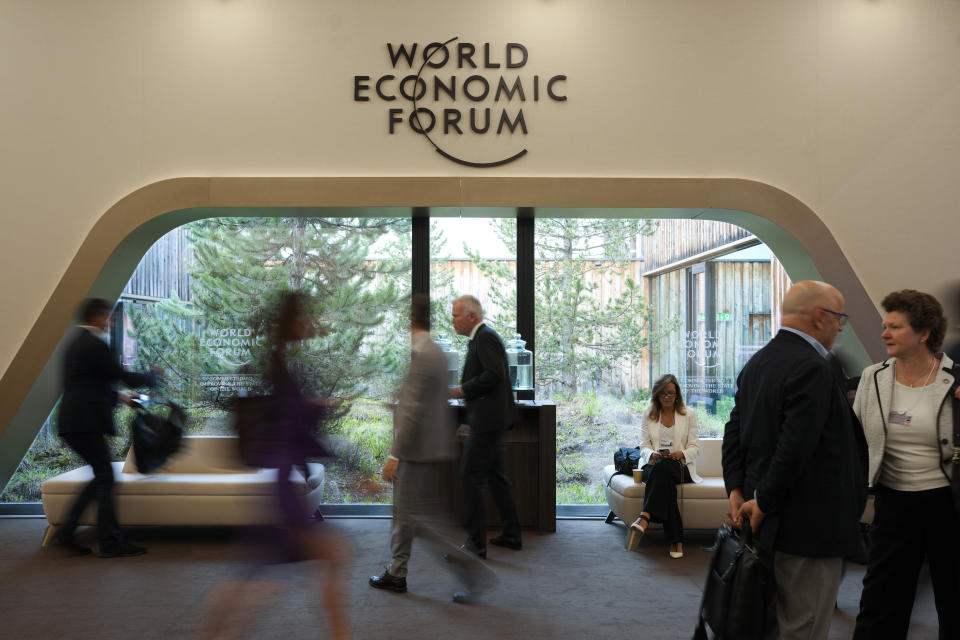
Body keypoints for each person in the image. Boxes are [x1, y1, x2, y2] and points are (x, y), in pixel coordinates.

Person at [200, 291, 351, 640]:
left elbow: (291, 422)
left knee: (256, 573)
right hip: (282, 490)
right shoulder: (279, 364)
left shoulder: (278, 360)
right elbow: (295, 428)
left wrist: (310, 407)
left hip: (279, 485)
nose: (309, 323)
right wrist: (315, 410)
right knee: (325, 559)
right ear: (292, 320)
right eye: (304, 317)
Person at [722, 280, 868, 640]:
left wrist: (737, 489)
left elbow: (734, 431)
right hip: (809, 525)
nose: (840, 327)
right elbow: (795, 447)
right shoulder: (813, 367)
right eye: (839, 318)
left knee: (774, 623)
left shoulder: (758, 362)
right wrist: (764, 500)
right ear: (821, 317)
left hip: (767, 525)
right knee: (804, 625)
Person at [369, 294, 495, 603]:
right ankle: (397, 572)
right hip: (433, 447)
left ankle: (470, 569)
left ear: (409, 322)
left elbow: (412, 410)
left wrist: (393, 456)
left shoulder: (423, 354)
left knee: (421, 520)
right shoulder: (437, 352)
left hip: (417, 450)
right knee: (406, 513)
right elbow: (428, 400)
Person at [851, 290, 960, 639]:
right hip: (893, 502)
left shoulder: (955, 378)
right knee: (881, 602)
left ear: (924, 333)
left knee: (955, 600)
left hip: (948, 504)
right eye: (885, 326)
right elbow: (855, 435)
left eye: (894, 327)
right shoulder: (874, 377)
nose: (884, 333)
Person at [56, 297, 160, 557]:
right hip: (85, 422)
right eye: (108, 317)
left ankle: (67, 533)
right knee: (105, 477)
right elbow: (120, 375)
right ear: (97, 317)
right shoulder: (94, 345)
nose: (110, 321)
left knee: (101, 477)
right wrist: (153, 376)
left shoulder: (75, 345)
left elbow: (92, 384)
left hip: (74, 421)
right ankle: (110, 543)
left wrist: (124, 398)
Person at [448, 295, 522, 557]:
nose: (452, 320)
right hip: (487, 420)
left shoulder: (485, 337)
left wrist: (461, 390)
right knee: (496, 478)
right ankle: (512, 533)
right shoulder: (479, 338)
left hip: (489, 423)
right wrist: (469, 420)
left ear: (472, 317)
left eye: (456, 315)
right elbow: (487, 382)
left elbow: (494, 374)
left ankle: (476, 543)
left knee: (470, 479)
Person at [627, 374, 701, 558]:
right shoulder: (648, 414)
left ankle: (645, 516)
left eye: (671, 393)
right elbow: (643, 445)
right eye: (663, 394)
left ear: (677, 394)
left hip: (680, 466)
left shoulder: (689, 414)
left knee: (665, 468)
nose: (667, 397)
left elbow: (695, 448)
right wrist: (652, 453)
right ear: (656, 395)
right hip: (653, 464)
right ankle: (676, 540)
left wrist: (681, 453)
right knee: (662, 471)